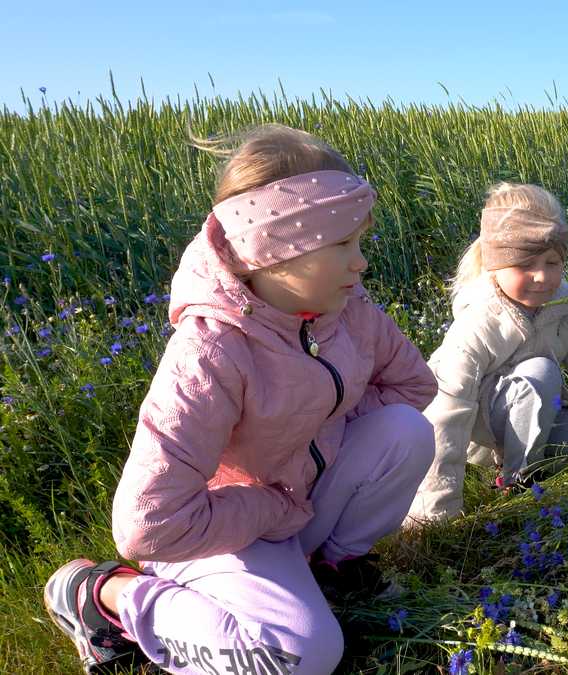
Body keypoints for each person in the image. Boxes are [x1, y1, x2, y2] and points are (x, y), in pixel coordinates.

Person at [43, 124, 437, 674]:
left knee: (406, 430)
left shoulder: (349, 311)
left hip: (295, 500)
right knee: (303, 654)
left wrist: (315, 432)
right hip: (218, 526)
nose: (361, 262)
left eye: (360, 243)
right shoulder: (212, 352)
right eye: (342, 245)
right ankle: (105, 597)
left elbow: (413, 387)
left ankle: (332, 570)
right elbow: (149, 525)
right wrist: (270, 505)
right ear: (272, 252)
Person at [408, 183, 568, 522]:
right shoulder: (478, 320)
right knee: (542, 373)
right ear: (495, 264)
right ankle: (516, 483)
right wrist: (437, 511)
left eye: (552, 261)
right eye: (525, 264)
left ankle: (537, 461)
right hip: (483, 427)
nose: (542, 277)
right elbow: (448, 414)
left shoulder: (566, 304)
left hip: (542, 411)